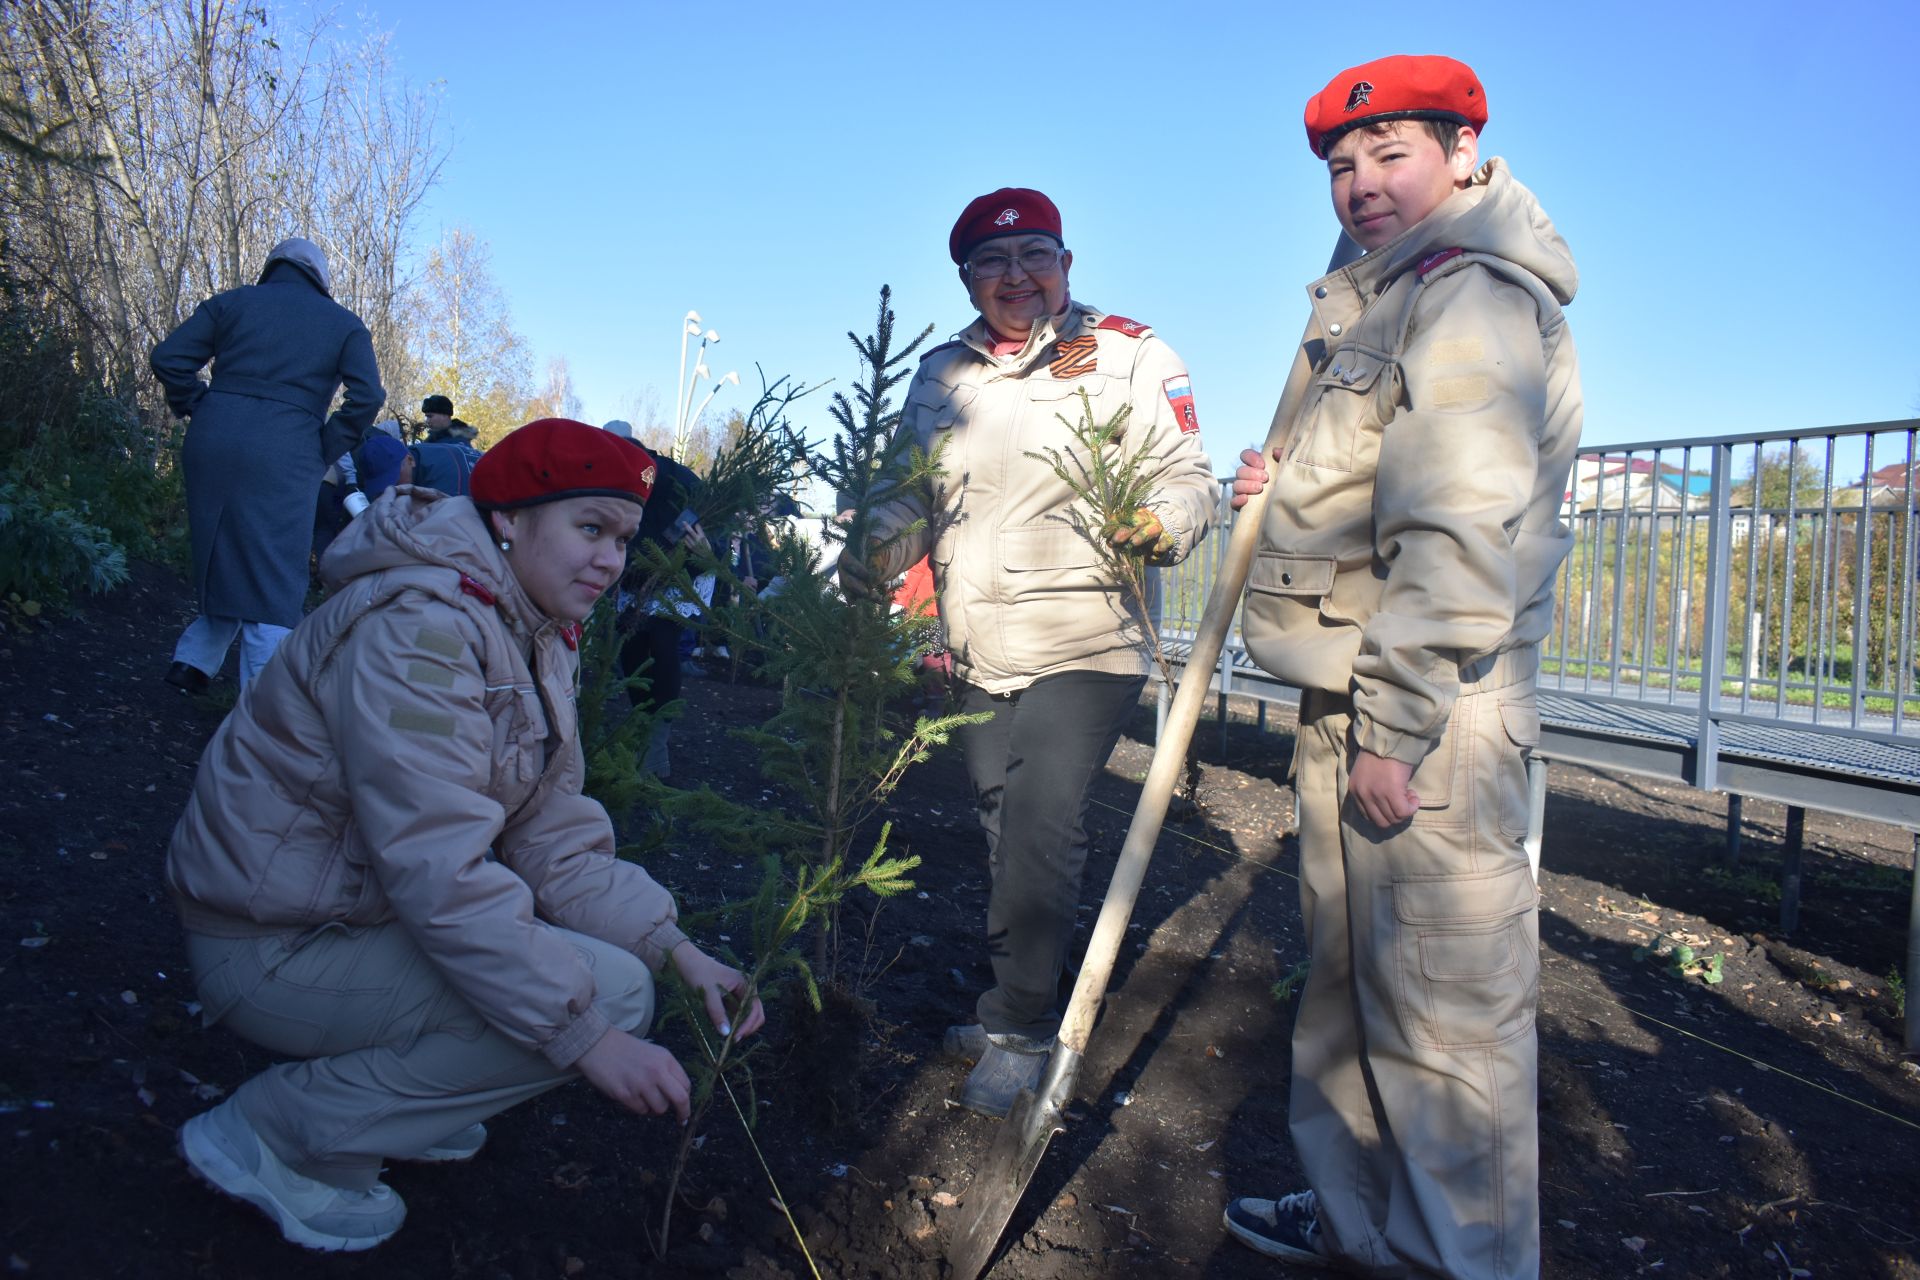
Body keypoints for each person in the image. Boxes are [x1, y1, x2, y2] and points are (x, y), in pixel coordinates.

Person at [167, 417, 764, 1252]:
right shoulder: (423, 629)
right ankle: (280, 1133)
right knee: (601, 1004)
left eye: (623, 539)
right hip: (274, 943)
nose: (611, 559)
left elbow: (552, 834)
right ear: (509, 519)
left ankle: (413, 1095)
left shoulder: (526, 626)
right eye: (589, 529)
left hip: (357, 916)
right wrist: (584, 1040)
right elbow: (436, 864)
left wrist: (677, 949)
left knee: (626, 981)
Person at [1221, 57, 1582, 1279]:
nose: (1363, 184)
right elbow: (1371, 491)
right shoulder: (1375, 298)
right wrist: (1279, 496)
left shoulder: (1471, 295)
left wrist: (1397, 727)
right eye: (1342, 165)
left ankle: (1455, 1261)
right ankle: (1363, 1226)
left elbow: (1458, 527)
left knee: (1444, 1027)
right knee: (1347, 1000)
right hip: (1358, 691)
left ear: (1464, 156)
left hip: (1429, 712)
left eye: (1392, 156)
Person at [842, 187, 1217, 1117]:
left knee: (1043, 824)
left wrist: (1159, 524)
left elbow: (1189, 477)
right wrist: (865, 558)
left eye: (1036, 255)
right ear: (968, 280)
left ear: (1066, 263)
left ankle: (1016, 1025)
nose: (1017, 278)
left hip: (1090, 633)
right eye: (993, 264)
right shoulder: (943, 374)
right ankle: (1025, 991)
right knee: (1005, 823)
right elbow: (906, 495)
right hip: (977, 640)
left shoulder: (1131, 354)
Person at [152, 236, 384, 694]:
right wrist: (325, 445)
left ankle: (193, 661)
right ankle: (265, 701)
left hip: (213, 437)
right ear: (320, 278)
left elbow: (168, 358)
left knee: (222, 546)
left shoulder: (230, 303)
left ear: (272, 267)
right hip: (288, 447)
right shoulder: (343, 324)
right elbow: (368, 396)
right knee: (275, 567)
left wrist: (199, 404)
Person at [606, 421, 706, 779]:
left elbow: (702, 532)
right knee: (630, 646)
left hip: (676, 575)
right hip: (635, 576)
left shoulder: (673, 482)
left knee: (662, 646)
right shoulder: (619, 482)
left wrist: (689, 557)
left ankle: (656, 745)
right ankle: (638, 728)